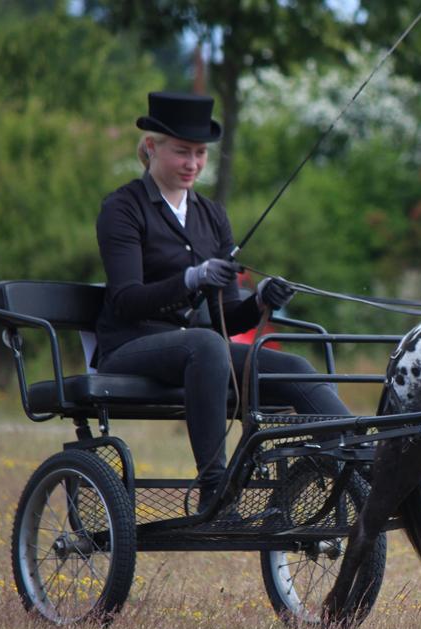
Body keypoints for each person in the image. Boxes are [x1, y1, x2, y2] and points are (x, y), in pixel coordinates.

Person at [95, 91, 349, 514]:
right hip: (130, 346)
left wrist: (262, 299)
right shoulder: (123, 208)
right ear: (152, 147)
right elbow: (125, 301)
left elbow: (228, 315)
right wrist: (189, 279)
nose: (193, 163)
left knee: (295, 368)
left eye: (200, 153)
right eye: (182, 152)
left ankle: (361, 459)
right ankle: (216, 489)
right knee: (206, 343)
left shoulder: (212, 215)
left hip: (199, 352)